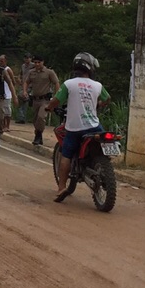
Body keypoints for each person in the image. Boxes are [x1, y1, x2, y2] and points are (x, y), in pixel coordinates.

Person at [48, 52, 110, 202]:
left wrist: (49, 107)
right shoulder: (98, 85)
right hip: (95, 126)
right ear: (89, 67)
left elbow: (56, 100)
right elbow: (107, 99)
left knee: (66, 154)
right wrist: (98, 106)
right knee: (103, 146)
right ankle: (105, 171)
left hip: (76, 128)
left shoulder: (69, 84)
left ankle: (62, 187)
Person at [21, 56, 60, 146]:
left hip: (45, 100)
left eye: (39, 62)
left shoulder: (49, 72)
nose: (37, 64)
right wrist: (25, 91)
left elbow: (56, 83)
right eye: (35, 62)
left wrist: (56, 96)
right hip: (35, 99)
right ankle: (39, 136)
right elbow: (26, 82)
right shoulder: (31, 72)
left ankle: (38, 135)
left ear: (43, 62)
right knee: (35, 119)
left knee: (41, 117)